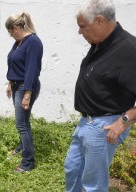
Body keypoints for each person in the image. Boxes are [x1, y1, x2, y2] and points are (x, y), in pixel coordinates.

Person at [64, 0, 136, 191]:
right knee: (72, 169)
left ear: (99, 21)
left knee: (93, 184)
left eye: (82, 26)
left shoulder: (129, 49)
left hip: (103, 126)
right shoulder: (100, 43)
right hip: (86, 122)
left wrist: (124, 121)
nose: (80, 32)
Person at [5, 12, 43, 173]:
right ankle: (22, 146)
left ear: (16, 27)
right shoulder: (19, 42)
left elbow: (31, 70)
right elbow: (14, 63)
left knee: (21, 124)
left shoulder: (33, 42)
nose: (10, 35)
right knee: (23, 122)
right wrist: (9, 82)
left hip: (26, 87)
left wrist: (27, 94)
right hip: (16, 85)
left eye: (10, 31)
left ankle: (28, 163)